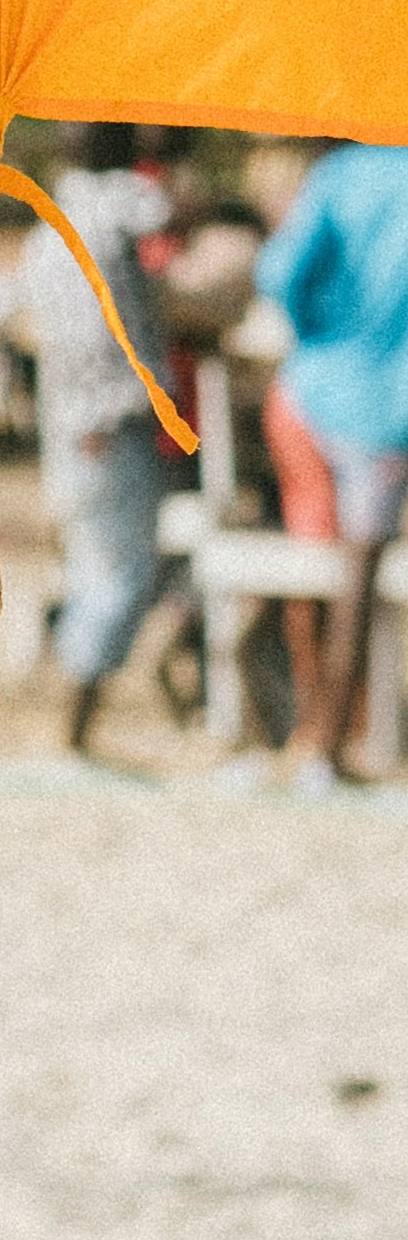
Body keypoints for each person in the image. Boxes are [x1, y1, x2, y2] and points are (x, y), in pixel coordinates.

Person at [11, 128, 189, 758]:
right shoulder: (117, 203)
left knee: (100, 569)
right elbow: (166, 207)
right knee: (119, 578)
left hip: (68, 420)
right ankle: (73, 732)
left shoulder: (46, 223)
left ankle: (73, 721)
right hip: (109, 422)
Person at [250, 132, 408, 781]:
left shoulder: (341, 174)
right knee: (358, 575)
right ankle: (343, 741)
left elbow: (279, 274)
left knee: (310, 563)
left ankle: (312, 733)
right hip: (389, 408)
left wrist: (320, 325)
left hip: (313, 392)